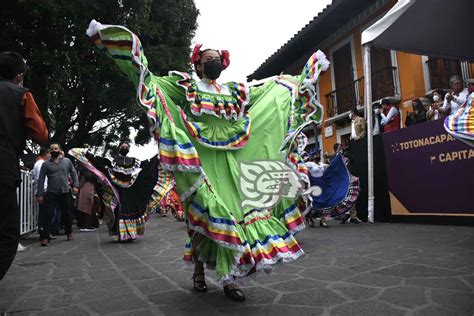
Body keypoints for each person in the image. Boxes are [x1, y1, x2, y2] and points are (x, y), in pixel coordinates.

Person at [86, 20, 329, 301]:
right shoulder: (187, 85)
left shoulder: (234, 92)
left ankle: (230, 279)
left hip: (231, 161)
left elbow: (266, 91)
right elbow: (152, 84)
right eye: (207, 59)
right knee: (202, 215)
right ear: (198, 64)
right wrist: (130, 56)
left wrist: (297, 81)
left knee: (234, 213)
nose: (213, 62)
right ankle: (199, 272)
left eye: (217, 59)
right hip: (199, 160)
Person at [0, 51, 48, 279]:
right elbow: (41, 134)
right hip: (3, 165)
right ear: (19, 76)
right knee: (8, 235)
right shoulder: (21, 94)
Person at [70, 141, 170, 242]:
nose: (125, 147)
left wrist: (157, 158)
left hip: (131, 190)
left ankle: (131, 234)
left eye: (127, 146)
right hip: (117, 190)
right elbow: (100, 163)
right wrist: (87, 154)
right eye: (123, 146)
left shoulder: (134, 161)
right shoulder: (113, 162)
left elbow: (147, 165)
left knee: (131, 210)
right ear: (119, 147)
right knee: (119, 210)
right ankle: (122, 234)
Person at [36, 142, 79, 246]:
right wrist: (40, 194)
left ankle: (69, 232)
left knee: (66, 213)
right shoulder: (45, 164)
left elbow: (73, 173)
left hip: (65, 191)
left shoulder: (67, 161)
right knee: (49, 214)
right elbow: (41, 179)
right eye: (52, 149)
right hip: (51, 192)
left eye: (56, 149)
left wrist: (76, 186)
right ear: (50, 151)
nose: (54, 150)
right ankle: (45, 237)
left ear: (59, 150)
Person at [444, 79, 474, 146]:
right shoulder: (449, 94)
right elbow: (444, 109)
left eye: (459, 83)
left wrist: (454, 99)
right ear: (452, 86)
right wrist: (448, 101)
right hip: (459, 118)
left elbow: (465, 103)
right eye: (455, 84)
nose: (458, 85)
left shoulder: (467, 91)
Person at [33, 147, 50, 236]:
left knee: (44, 211)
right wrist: (43, 191)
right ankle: (43, 231)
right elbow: (41, 178)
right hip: (43, 190)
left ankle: (43, 230)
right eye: (49, 153)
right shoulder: (41, 163)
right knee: (44, 212)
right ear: (46, 154)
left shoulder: (40, 163)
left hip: (42, 190)